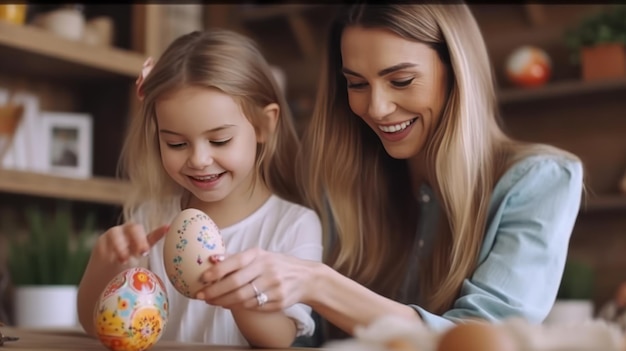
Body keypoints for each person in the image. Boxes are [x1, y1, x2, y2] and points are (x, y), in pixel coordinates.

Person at [192, 3, 584, 345]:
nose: (376, 108)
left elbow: (478, 339)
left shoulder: (540, 181)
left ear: (456, 71)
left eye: (401, 81)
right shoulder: (334, 185)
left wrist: (317, 283)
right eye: (357, 84)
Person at [76, 29, 323, 348]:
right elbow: (94, 324)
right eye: (176, 143)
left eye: (219, 140)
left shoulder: (293, 225)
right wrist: (104, 264)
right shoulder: (153, 218)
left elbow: (279, 339)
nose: (199, 159)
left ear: (264, 125)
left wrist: (234, 292)